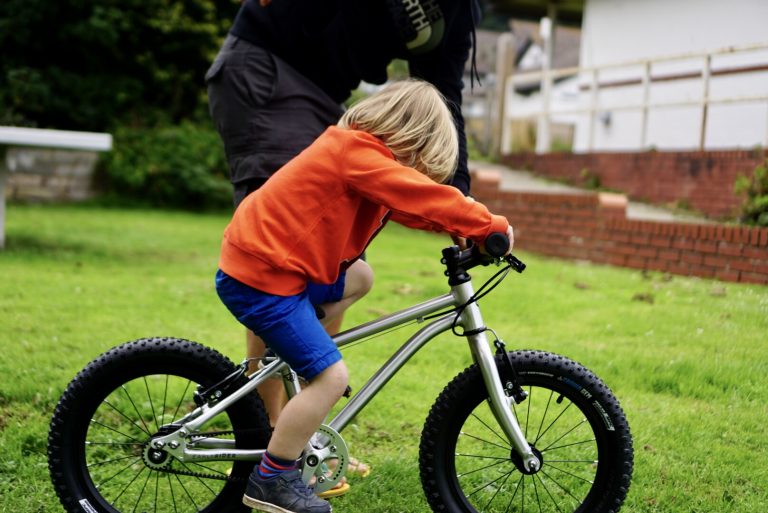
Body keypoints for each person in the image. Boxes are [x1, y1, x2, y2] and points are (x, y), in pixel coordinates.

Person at [205, 0, 484, 491]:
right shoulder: (358, 150)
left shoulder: (458, 12)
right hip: (269, 62)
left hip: (319, 88)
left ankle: (301, 419)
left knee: (358, 274)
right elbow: (406, 188)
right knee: (284, 269)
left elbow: (441, 93)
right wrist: (478, 216)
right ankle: (277, 449)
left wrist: (459, 211)